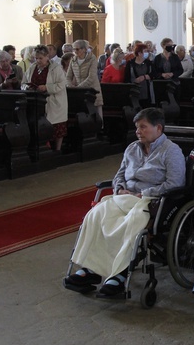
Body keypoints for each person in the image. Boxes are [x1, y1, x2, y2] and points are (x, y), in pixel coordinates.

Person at [64, 108, 186, 296]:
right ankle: (91, 268)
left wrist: (143, 193)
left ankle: (118, 275)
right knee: (97, 215)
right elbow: (119, 175)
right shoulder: (132, 148)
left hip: (149, 201)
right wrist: (119, 188)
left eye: (143, 127)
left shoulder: (171, 151)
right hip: (124, 197)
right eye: (137, 127)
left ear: (158, 128)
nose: (138, 131)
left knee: (130, 222)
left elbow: (175, 183)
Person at [23, 45, 68, 152]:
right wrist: (26, 87)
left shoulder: (55, 68)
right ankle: (44, 148)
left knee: (57, 126)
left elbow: (62, 84)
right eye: (36, 58)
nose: (38, 61)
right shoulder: (32, 68)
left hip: (53, 101)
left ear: (47, 56)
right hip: (36, 102)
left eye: (40, 58)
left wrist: (47, 87)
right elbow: (23, 82)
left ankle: (57, 149)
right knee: (40, 126)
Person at [67, 40, 103, 120]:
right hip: (80, 91)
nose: (75, 51)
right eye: (73, 49)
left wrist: (79, 88)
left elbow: (92, 76)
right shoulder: (73, 60)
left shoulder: (92, 59)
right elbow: (68, 76)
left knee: (95, 114)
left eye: (77, 49)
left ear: (84, 49)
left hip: (92, 90)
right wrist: (70, 85)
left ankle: (98, 129)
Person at [125, 42, 155, 108]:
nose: (147, 53)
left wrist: (145, 77)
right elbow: (127, 78)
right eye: (145, 51)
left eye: (147, 51)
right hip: (135, 91)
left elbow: (153, 74)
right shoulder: (130, 63)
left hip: (147, 90)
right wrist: (134, 81)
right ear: (139, 53)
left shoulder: (149, 63)